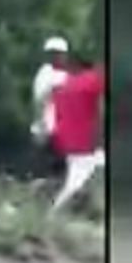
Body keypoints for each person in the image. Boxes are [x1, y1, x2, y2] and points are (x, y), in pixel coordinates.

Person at [48, 54, 106, 214]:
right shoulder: (95, 80)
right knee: (76, 183)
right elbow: (101, 111)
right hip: (88, 144)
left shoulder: (66, 85)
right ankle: (54, 214)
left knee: (83, 179)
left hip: (69, 142)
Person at [31, 36, 71, 146]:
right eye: (53, 53)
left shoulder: (66, 74)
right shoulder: (44, 73)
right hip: (47, 131)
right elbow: (39, 100)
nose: (57, 57)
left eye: (59, 53)